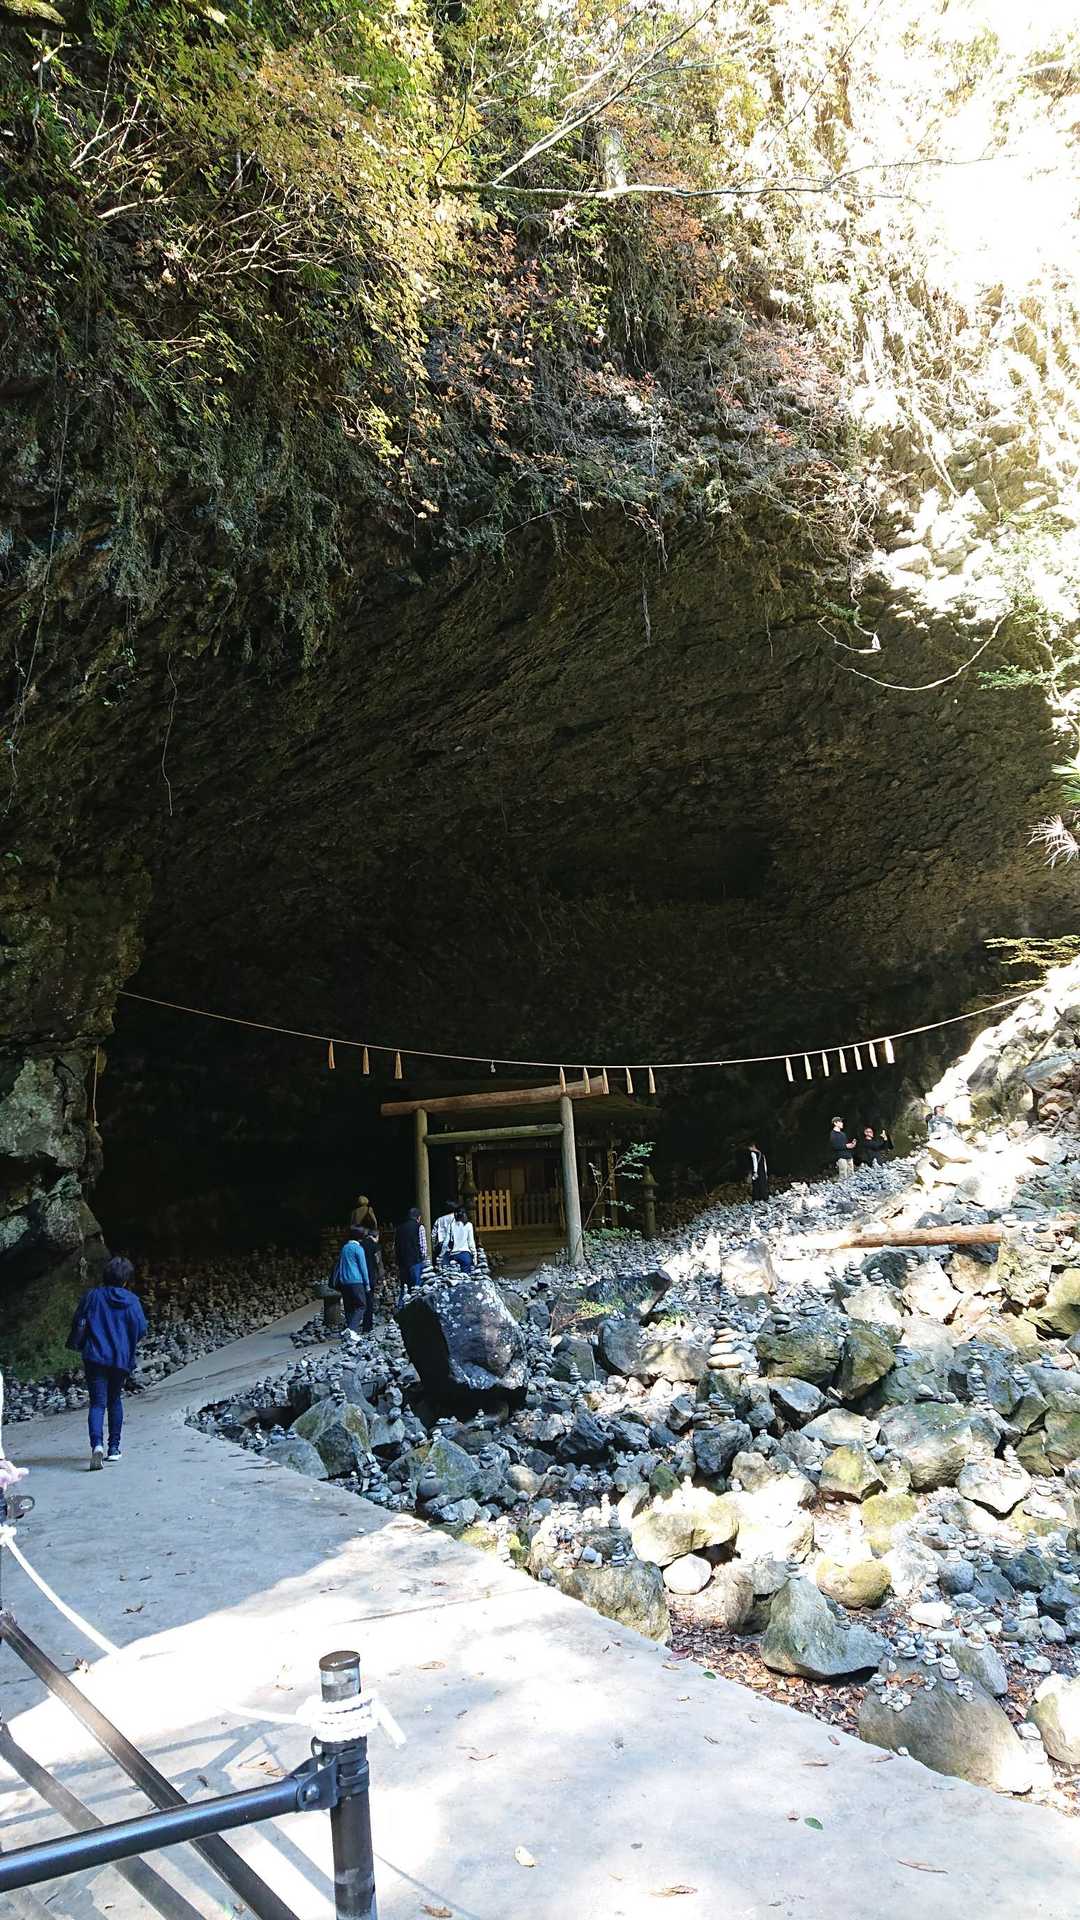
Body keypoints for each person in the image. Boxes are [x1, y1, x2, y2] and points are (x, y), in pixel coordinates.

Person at [67, 1255, 148, 1469]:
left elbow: (78, 1321)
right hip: (120, 1359)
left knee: (97, 1403)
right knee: (114, 1400)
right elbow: (141, 1329)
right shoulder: (132, 1301)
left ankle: (97, 1446)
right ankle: (114, 1448)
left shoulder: (92, 1296)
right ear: (126, 1280)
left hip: (95, 1357)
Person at [333, 1228, 372, 1336]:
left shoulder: (344, 1248)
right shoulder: (358, 1248)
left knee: (349, 1308)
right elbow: (363, 1267)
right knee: (361, 1305)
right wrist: (367, 1284)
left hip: (344, 1281)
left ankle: (350, 1331)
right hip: (356, 1281)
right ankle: (351, 1329)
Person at [394, 1207, 427, 1307]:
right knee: (416, 1288)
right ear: (418, 1217)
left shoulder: (399, 1228)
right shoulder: (419, 1227)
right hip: (415, 1261)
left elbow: (396, 1246)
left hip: (402, 1262)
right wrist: (424, 1259)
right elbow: (423, 1246)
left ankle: (401, 1308)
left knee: (404, 1288)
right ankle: (415, 1308)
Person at [445, 1207, 477, 1274]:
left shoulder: (451, 1225)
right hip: (465, 1255)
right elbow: (471, 1243)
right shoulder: (469, 1225)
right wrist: (474, 1255)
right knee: (466, 1276)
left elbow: (446, 1242)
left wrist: (442, 1255)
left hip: (453, 1255)